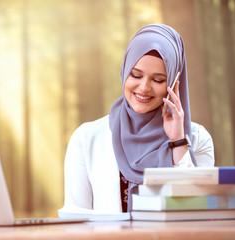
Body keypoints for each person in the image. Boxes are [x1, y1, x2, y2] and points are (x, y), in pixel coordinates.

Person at [59, 24, 214, 214]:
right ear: (125, 71)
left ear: (173, 82)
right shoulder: (86, 138)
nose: (144, 88)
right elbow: (76, 218)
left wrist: (178, 143)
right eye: (136, 75)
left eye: (158, 80)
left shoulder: (198, 139)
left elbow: (198, 213)